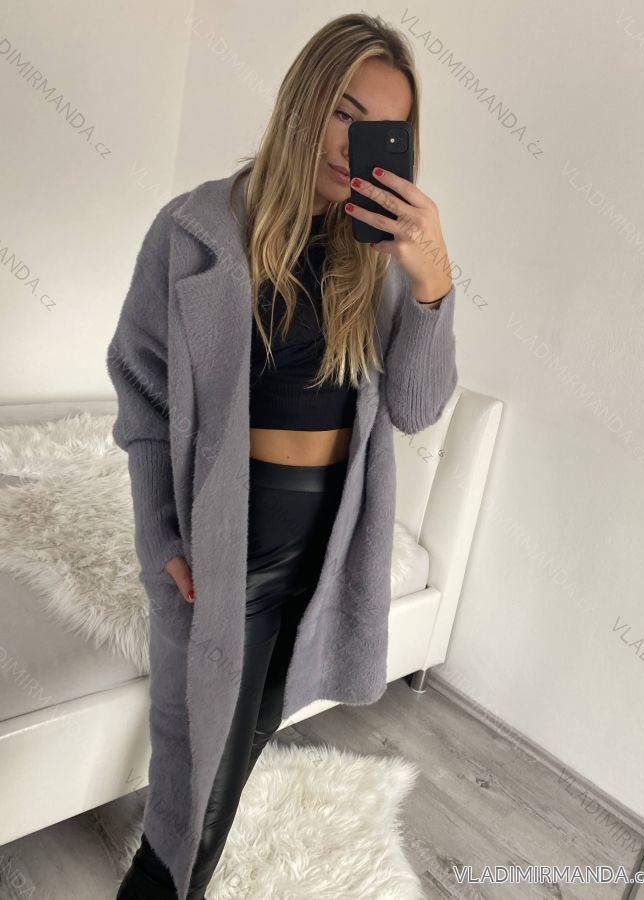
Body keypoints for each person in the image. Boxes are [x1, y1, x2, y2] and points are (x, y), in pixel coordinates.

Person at [111, 12, 457, 899]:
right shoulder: (194, 231)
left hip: (327, 545)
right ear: (304, 100)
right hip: (232, 531)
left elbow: (416, 408)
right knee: (193, 777)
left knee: (248, 737)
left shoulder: (379, 258)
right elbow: (142, 393)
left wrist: (433, 283)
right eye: (344, 111)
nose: (353, 145)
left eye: (381, 129)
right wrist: (159, 535)